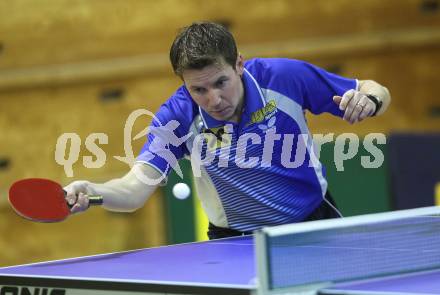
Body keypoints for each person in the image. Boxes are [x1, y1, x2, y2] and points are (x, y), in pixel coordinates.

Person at [65, 22, 391, 240]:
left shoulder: (284, 78)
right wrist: (93, 191)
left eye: (221, 82)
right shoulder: (178, 117)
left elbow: (375, 89)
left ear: (239, 64)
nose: (214, 99)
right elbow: (134, 190)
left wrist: (370, 101)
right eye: (199, 90)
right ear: (183, 83)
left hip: (312, 224)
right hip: (235, 241)